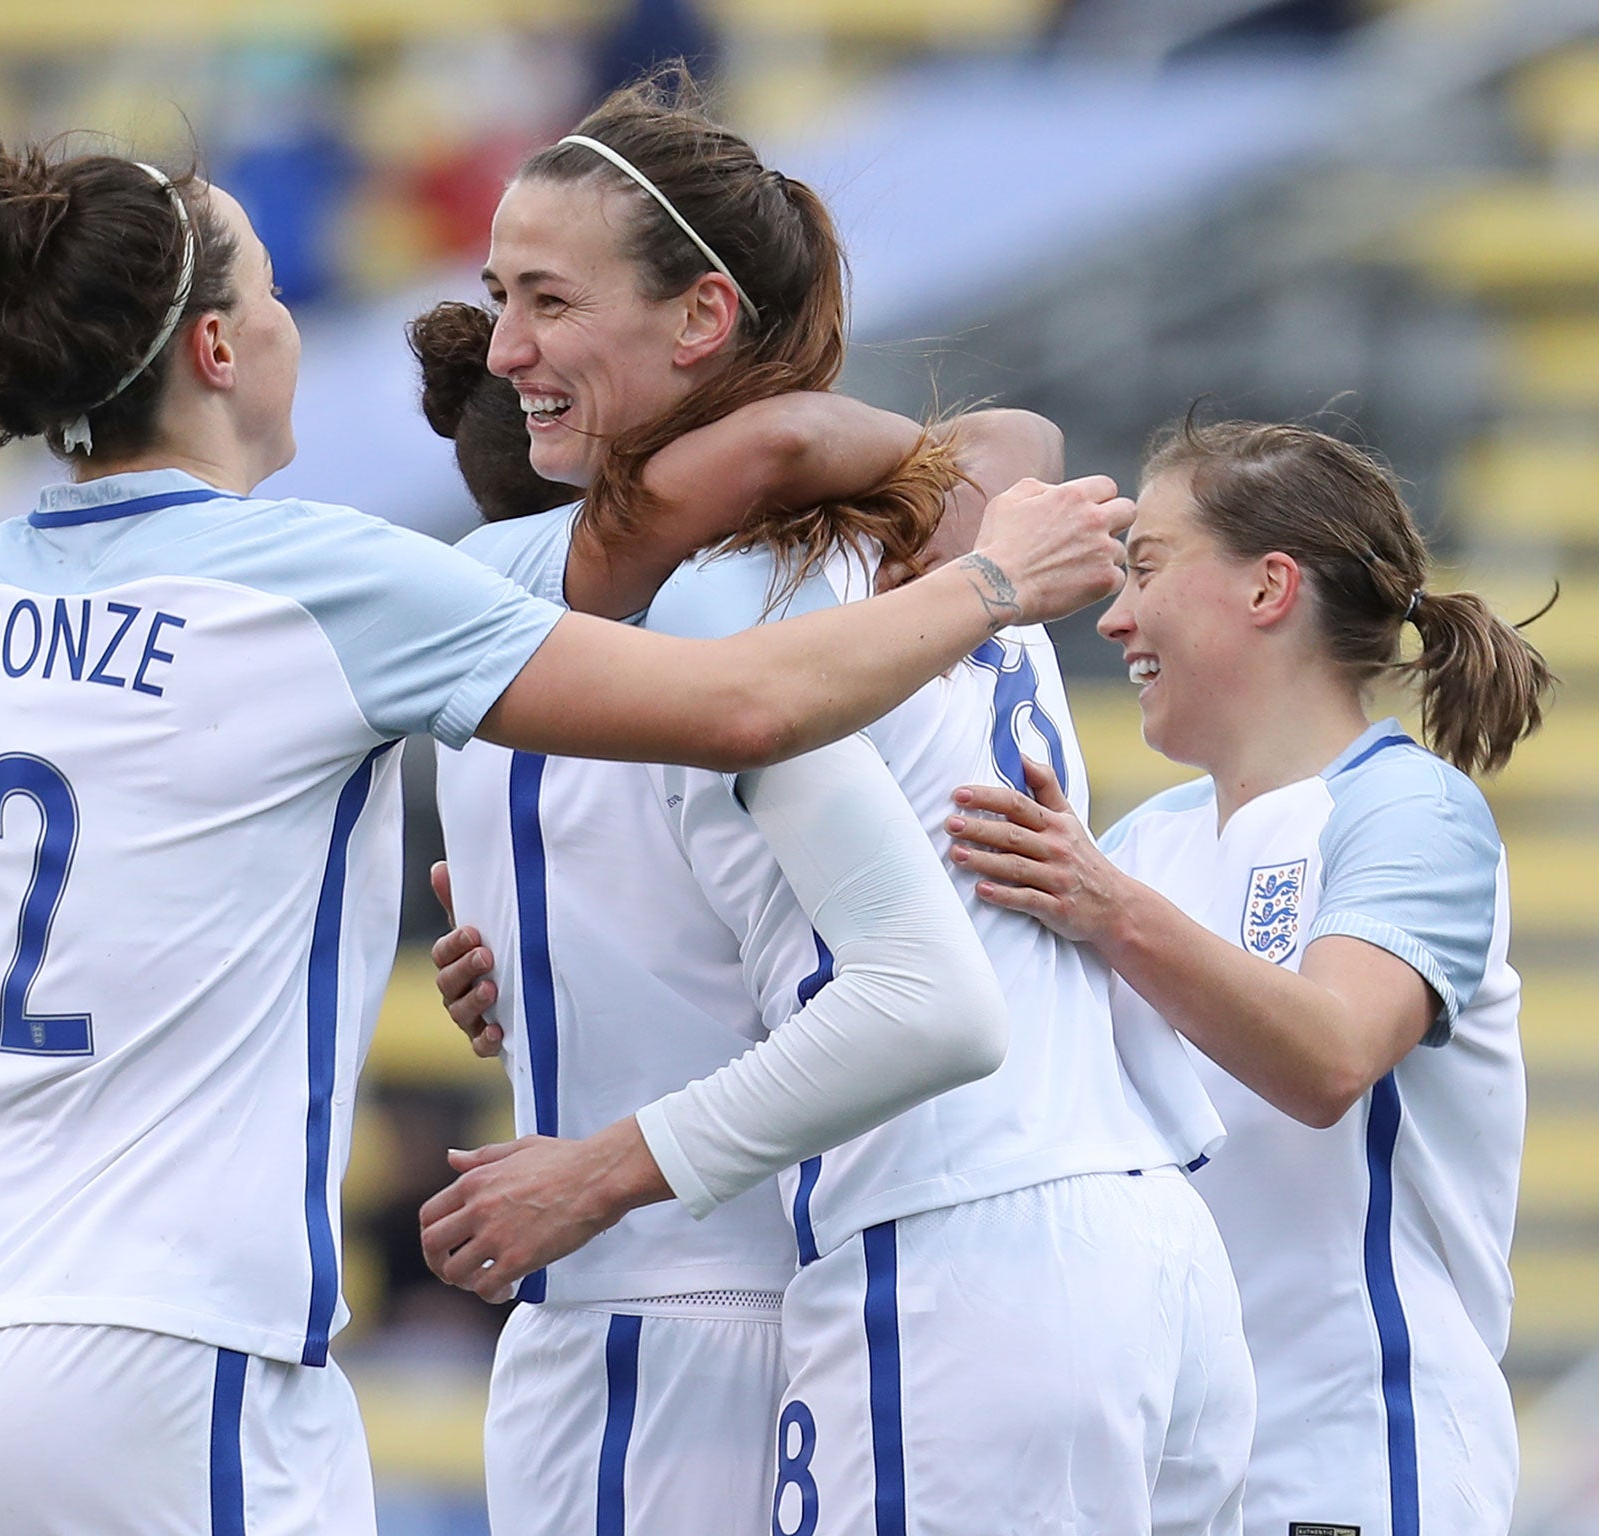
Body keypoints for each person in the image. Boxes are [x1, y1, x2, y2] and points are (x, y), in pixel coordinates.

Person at [0, 130, 1129, 1536]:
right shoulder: (321, 580)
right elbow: (749, 703)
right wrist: (996, 575)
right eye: (267, 293)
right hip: (161, 1342)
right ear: (215, 351)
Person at [418, 76, 1253, 1536]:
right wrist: (540, 954)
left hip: (941, 1255)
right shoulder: (941, 530)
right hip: (1141, 1239)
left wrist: (595, 1169)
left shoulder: (736, 607)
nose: (506, 350)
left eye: (546, 299)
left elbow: (918, 997)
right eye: (500, 300)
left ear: (701, 318)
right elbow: (994, 443)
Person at [413, 293, 1047, 1536]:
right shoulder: (835, 610)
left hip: (647, 1296)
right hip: (819, 1267)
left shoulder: (511, 647)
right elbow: (999, 434)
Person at [946, 417, 1552, 1536]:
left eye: (1146, 568)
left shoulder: (1406, 810)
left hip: (1355, 1464)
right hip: (1172, 1470)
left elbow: (1327, 1059)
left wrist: (1108, 910)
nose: (1115, 615)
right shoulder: (1140, 841)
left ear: (1269, 588)